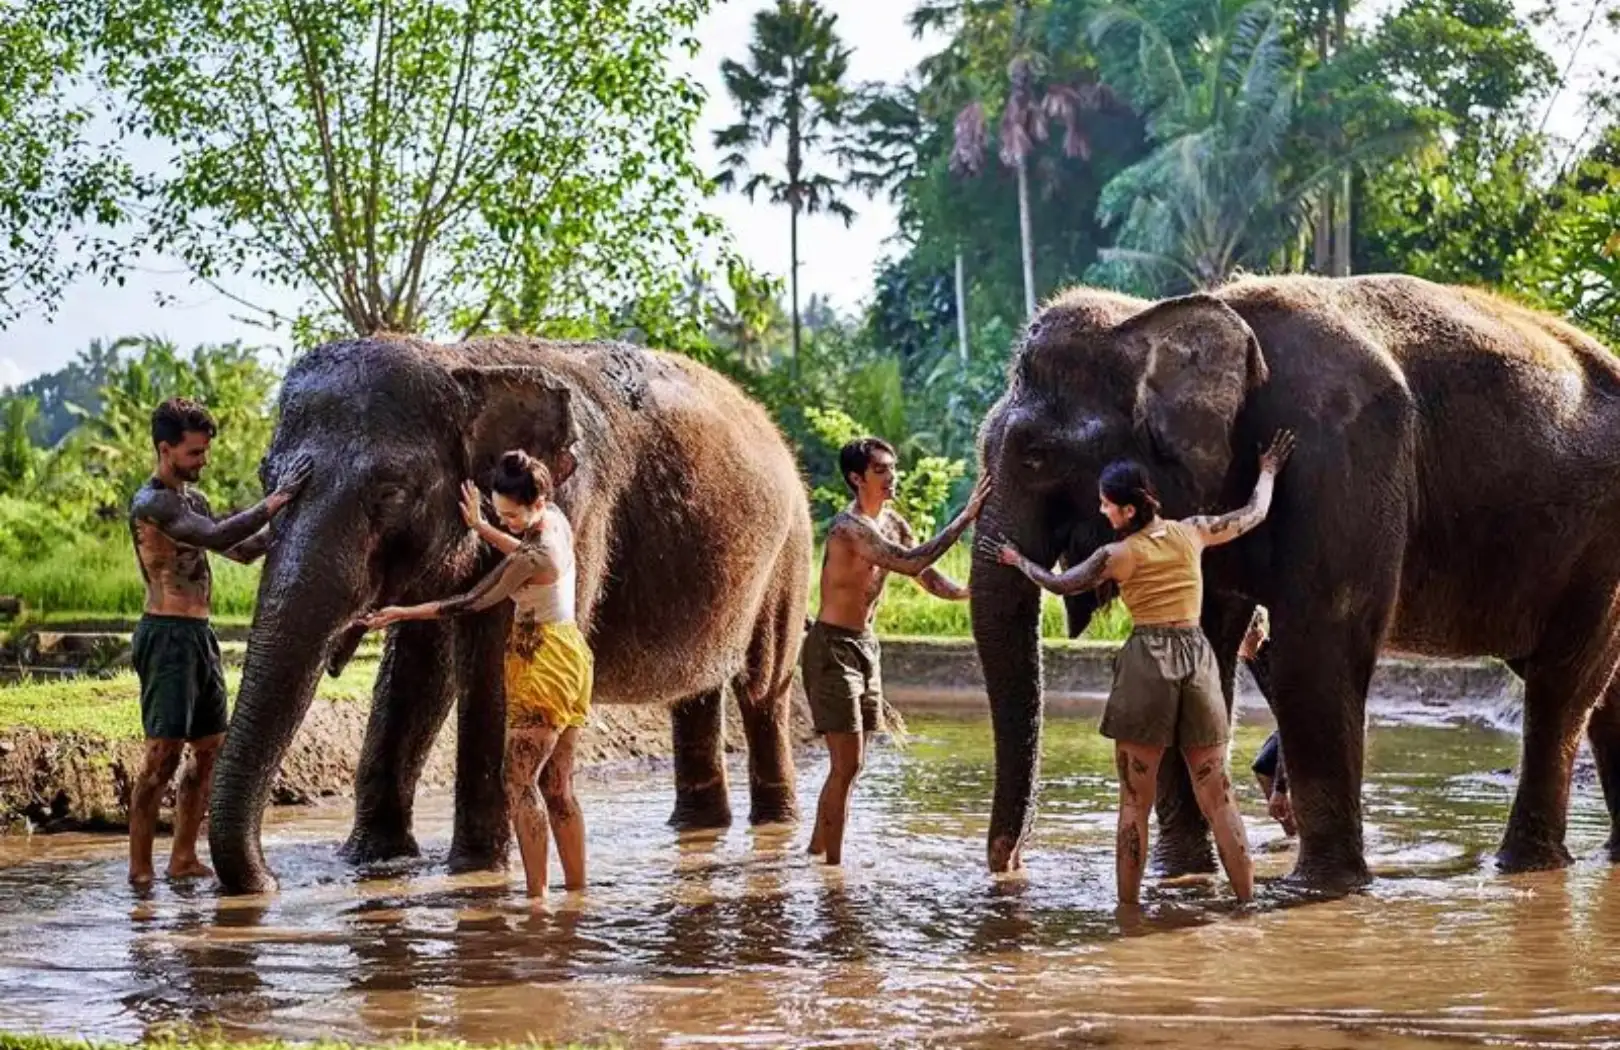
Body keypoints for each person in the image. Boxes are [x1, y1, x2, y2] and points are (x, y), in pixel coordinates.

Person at [993, 431, 1295, 910]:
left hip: (1148, 660)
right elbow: (1253, 514)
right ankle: (1247, 905)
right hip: (1197, 659)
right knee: (1219, 795)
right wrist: (1269, 471)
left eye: (1107, 505)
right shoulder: (1193, 531)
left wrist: (1018, 561)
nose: (1102, 513)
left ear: (1129, 510)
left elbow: (1061, 583)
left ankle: (1128, 914)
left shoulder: (1118, 555)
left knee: (1135, 801)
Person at [361, 451, 592, 901]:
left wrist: (403, 612)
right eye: (499, 512)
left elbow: (472, 601)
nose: (505, 522)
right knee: (559, 785)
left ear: (538, 499)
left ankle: (537, 900)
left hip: (541, 661)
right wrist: (482, 527)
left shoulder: (533, 556)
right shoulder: (555, 522)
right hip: (571, 655)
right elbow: (521, 546)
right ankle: (578, 896)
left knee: (519, 782)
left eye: (511, 514)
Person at [127, 397, 310, 886]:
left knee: (209, 750)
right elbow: (215, 535)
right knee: (162, 758)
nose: (202, 461)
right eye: (194, 453)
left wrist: (291, 526)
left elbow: (243, 548)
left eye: (204, 451)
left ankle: (183, 857)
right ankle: (139, 871)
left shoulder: (194, 502)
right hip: (166, 636)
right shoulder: (153, 503)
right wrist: (276, 501)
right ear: (165, 449)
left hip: (200, 635)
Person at [806, 436, 991, 866]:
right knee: (846, 765)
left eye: (893, 468)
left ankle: (814, 852)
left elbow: (922, 572)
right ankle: (833, 873)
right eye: (882, 470)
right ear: (856, 478)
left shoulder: (893, 522)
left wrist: (965, 593)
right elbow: (908, 561)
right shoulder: (848, 529)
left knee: (854, 765)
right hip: (832, 648)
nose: (893, 477)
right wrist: (966, 517)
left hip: (867, 648)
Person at [1240, 606, 1295, 836]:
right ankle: (1294, 834)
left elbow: (1291, 721)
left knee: (1287, 785)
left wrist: (1281, 788)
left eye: (1242, 636)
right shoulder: (1253, 658)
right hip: (1289, 722)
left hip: (1306, 725)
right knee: (1263, 766)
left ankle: (1303, 836)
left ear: (1257, 633)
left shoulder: (1276, 659)